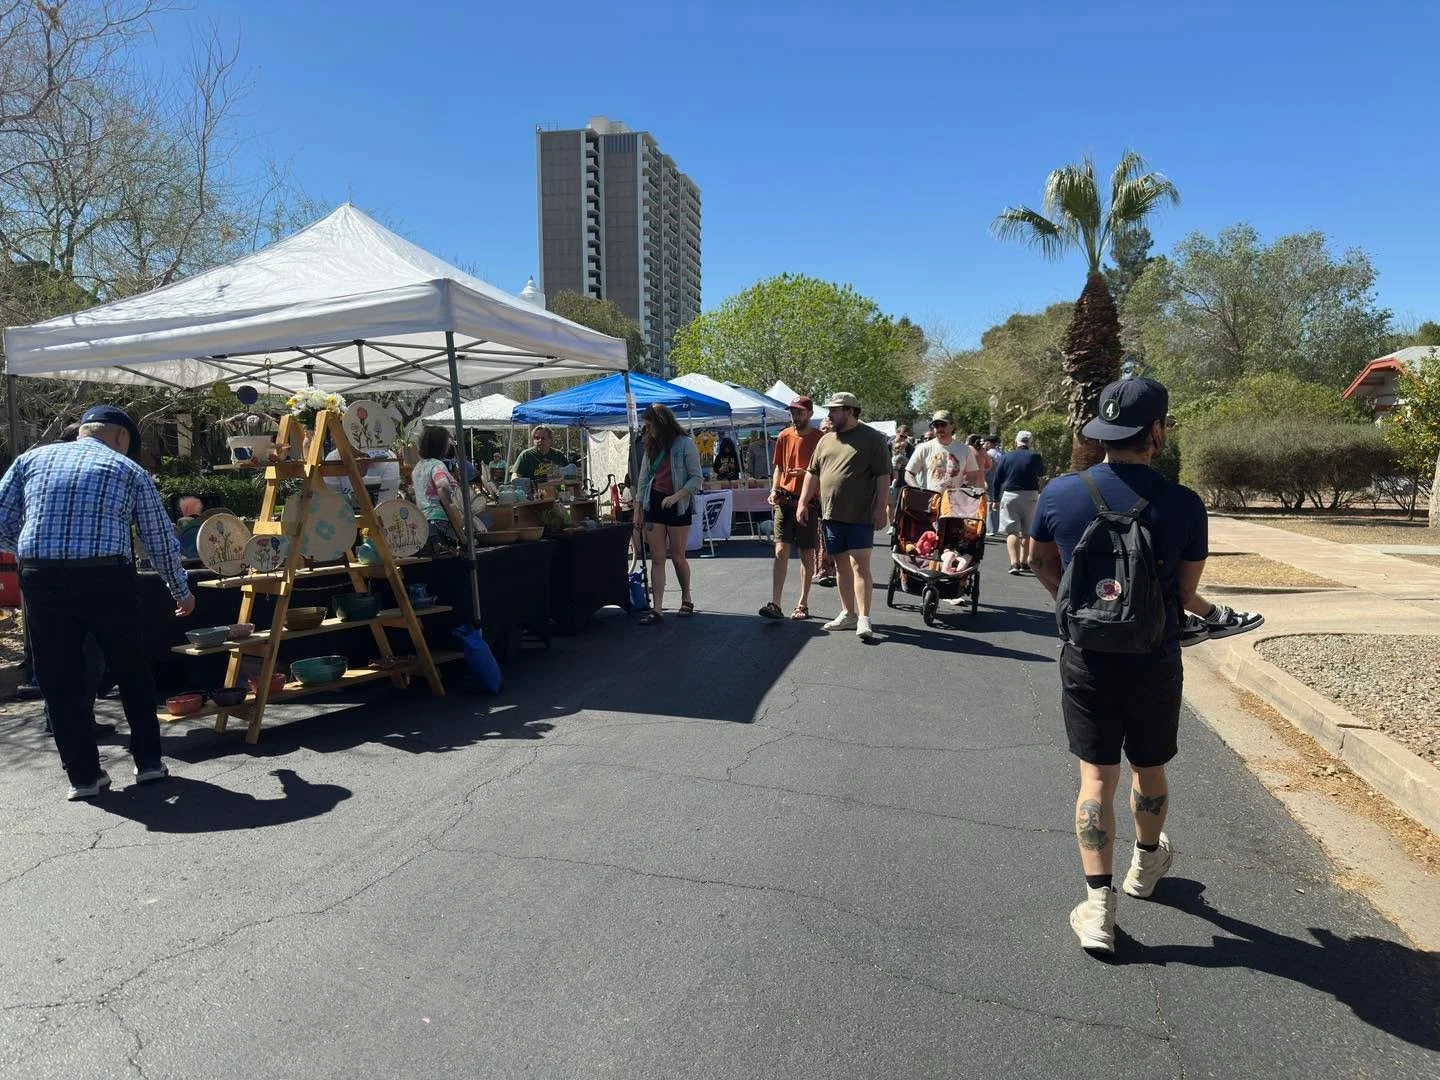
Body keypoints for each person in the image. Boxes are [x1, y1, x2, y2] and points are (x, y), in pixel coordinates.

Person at [1027, 377, 1262, 956]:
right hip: (1153, 659)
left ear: (1103, 431)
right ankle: (1144, 866)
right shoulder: (1182, 503)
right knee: (1148, 767)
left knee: (1095, 779)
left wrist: (1074, 607)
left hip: (1086, 658)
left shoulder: (1060, 493)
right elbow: (1186, 597)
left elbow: (1038, 561)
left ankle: (1099, 908)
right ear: (1156, 431)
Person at [0, 405, 194, 801]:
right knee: (131, 668)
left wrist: (34, 552)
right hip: (105, 575)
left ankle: (84, 778)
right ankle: (149, 763)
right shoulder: (128, 470)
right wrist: (180, 591)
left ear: (84, 431)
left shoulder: (30, 459)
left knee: (58, 678)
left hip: (42, 576)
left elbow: (2, 524)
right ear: (121, 438)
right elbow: (158, 540)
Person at [798, 393, 891, 641]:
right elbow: (812, 473)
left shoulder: (872, 438)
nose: (829, 415)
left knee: (860, 566)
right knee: (840, 566)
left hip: (860, 515)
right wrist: (802, 501)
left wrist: (881, 508)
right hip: (830, 515)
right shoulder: (826, 440)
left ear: (850, 411)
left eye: (834, 410)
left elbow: (884, 476)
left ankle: (864, 618)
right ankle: (848, 614)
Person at [633, 403, 702, 624]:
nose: (647, 430)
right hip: (654, 504)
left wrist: (676, 496)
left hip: (677, 505)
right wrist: (638, 509)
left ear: (661, 424)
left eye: (650, 425)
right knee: (658, 559)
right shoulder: (650, 446)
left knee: (678, 557)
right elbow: (643, 479)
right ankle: (658, 609)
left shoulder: (684, 445)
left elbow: (696, 478)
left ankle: (686, 598)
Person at [759, 396, 821, 621]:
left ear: (810, 414)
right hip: (784, 501)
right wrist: (774, 489)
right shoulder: (784, 436)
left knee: (806, 553)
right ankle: (775, 603)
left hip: (808, 502)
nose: (795, 416)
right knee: (780, 551)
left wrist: (806, 475)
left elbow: (825, 474)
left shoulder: (819, 439)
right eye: (793, 412)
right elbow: (778, 468)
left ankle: (802, 604)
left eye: (800, 412)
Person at [991, 430, 1045, 574]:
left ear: (1016, 442)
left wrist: (995, 498)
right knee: (1027, 531)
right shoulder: (1035, 456)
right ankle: (1024, 561)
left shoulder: (1007, 456)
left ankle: (1014, 563)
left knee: (1012, 531)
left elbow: (997, 479)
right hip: (1030, 495)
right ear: (1030, 443)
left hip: (1010, 495)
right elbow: (1041, 473)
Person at [411, 427, 467, 551]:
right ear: (440, 445)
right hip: (441, 521)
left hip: (424, 520)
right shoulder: (437, 465)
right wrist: (457, 501)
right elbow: (442, 485)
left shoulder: (418, 467)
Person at [903, 410, 984, 493]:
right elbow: (909, 474)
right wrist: (918, 491)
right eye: (936, 425)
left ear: (952, 426)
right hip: (930, 502)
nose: (939, 428)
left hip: (954, 503)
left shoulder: (964, 450)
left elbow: (972, 476)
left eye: (943, 425)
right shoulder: (923, 448)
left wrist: (963, 491)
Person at [810, 417, 837, 588]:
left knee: (831, 537)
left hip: (836, 500)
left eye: (828, 428)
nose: (825, 431)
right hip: (818, 499)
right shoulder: (818, 448)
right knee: (820, 537)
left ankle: (832, 570)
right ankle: (821, 570)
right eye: (823, 429)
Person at [983, 436, 1003, 535]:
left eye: (986, 443)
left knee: (990, 504)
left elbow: (986, 469)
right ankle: (996, 526)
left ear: (990, 443)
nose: (984, 445)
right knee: (997, 503)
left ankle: (990, 528)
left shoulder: (989, 454)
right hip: (1001, 481)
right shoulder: (1001, 453)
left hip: (990, 480)